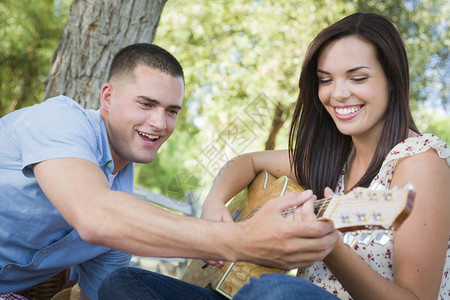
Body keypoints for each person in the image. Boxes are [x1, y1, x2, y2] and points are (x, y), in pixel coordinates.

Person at [99, 12, 449, 300]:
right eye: (325, 80)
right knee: (125, 284)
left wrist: (328, 246)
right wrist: (214, 205)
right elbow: (246, 162)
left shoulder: (419, 161)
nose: (338, 93)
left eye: (357, 78)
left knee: (276, 290)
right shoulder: (332, 159)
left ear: (392, 79)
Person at [0, 43, 339, 300]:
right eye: (145, 104)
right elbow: (94, 215)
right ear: (107, 97)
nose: (159, 123)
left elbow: (98, 291)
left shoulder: (119, 226)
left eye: (172, 111)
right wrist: (241, 240)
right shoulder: (58, 119)